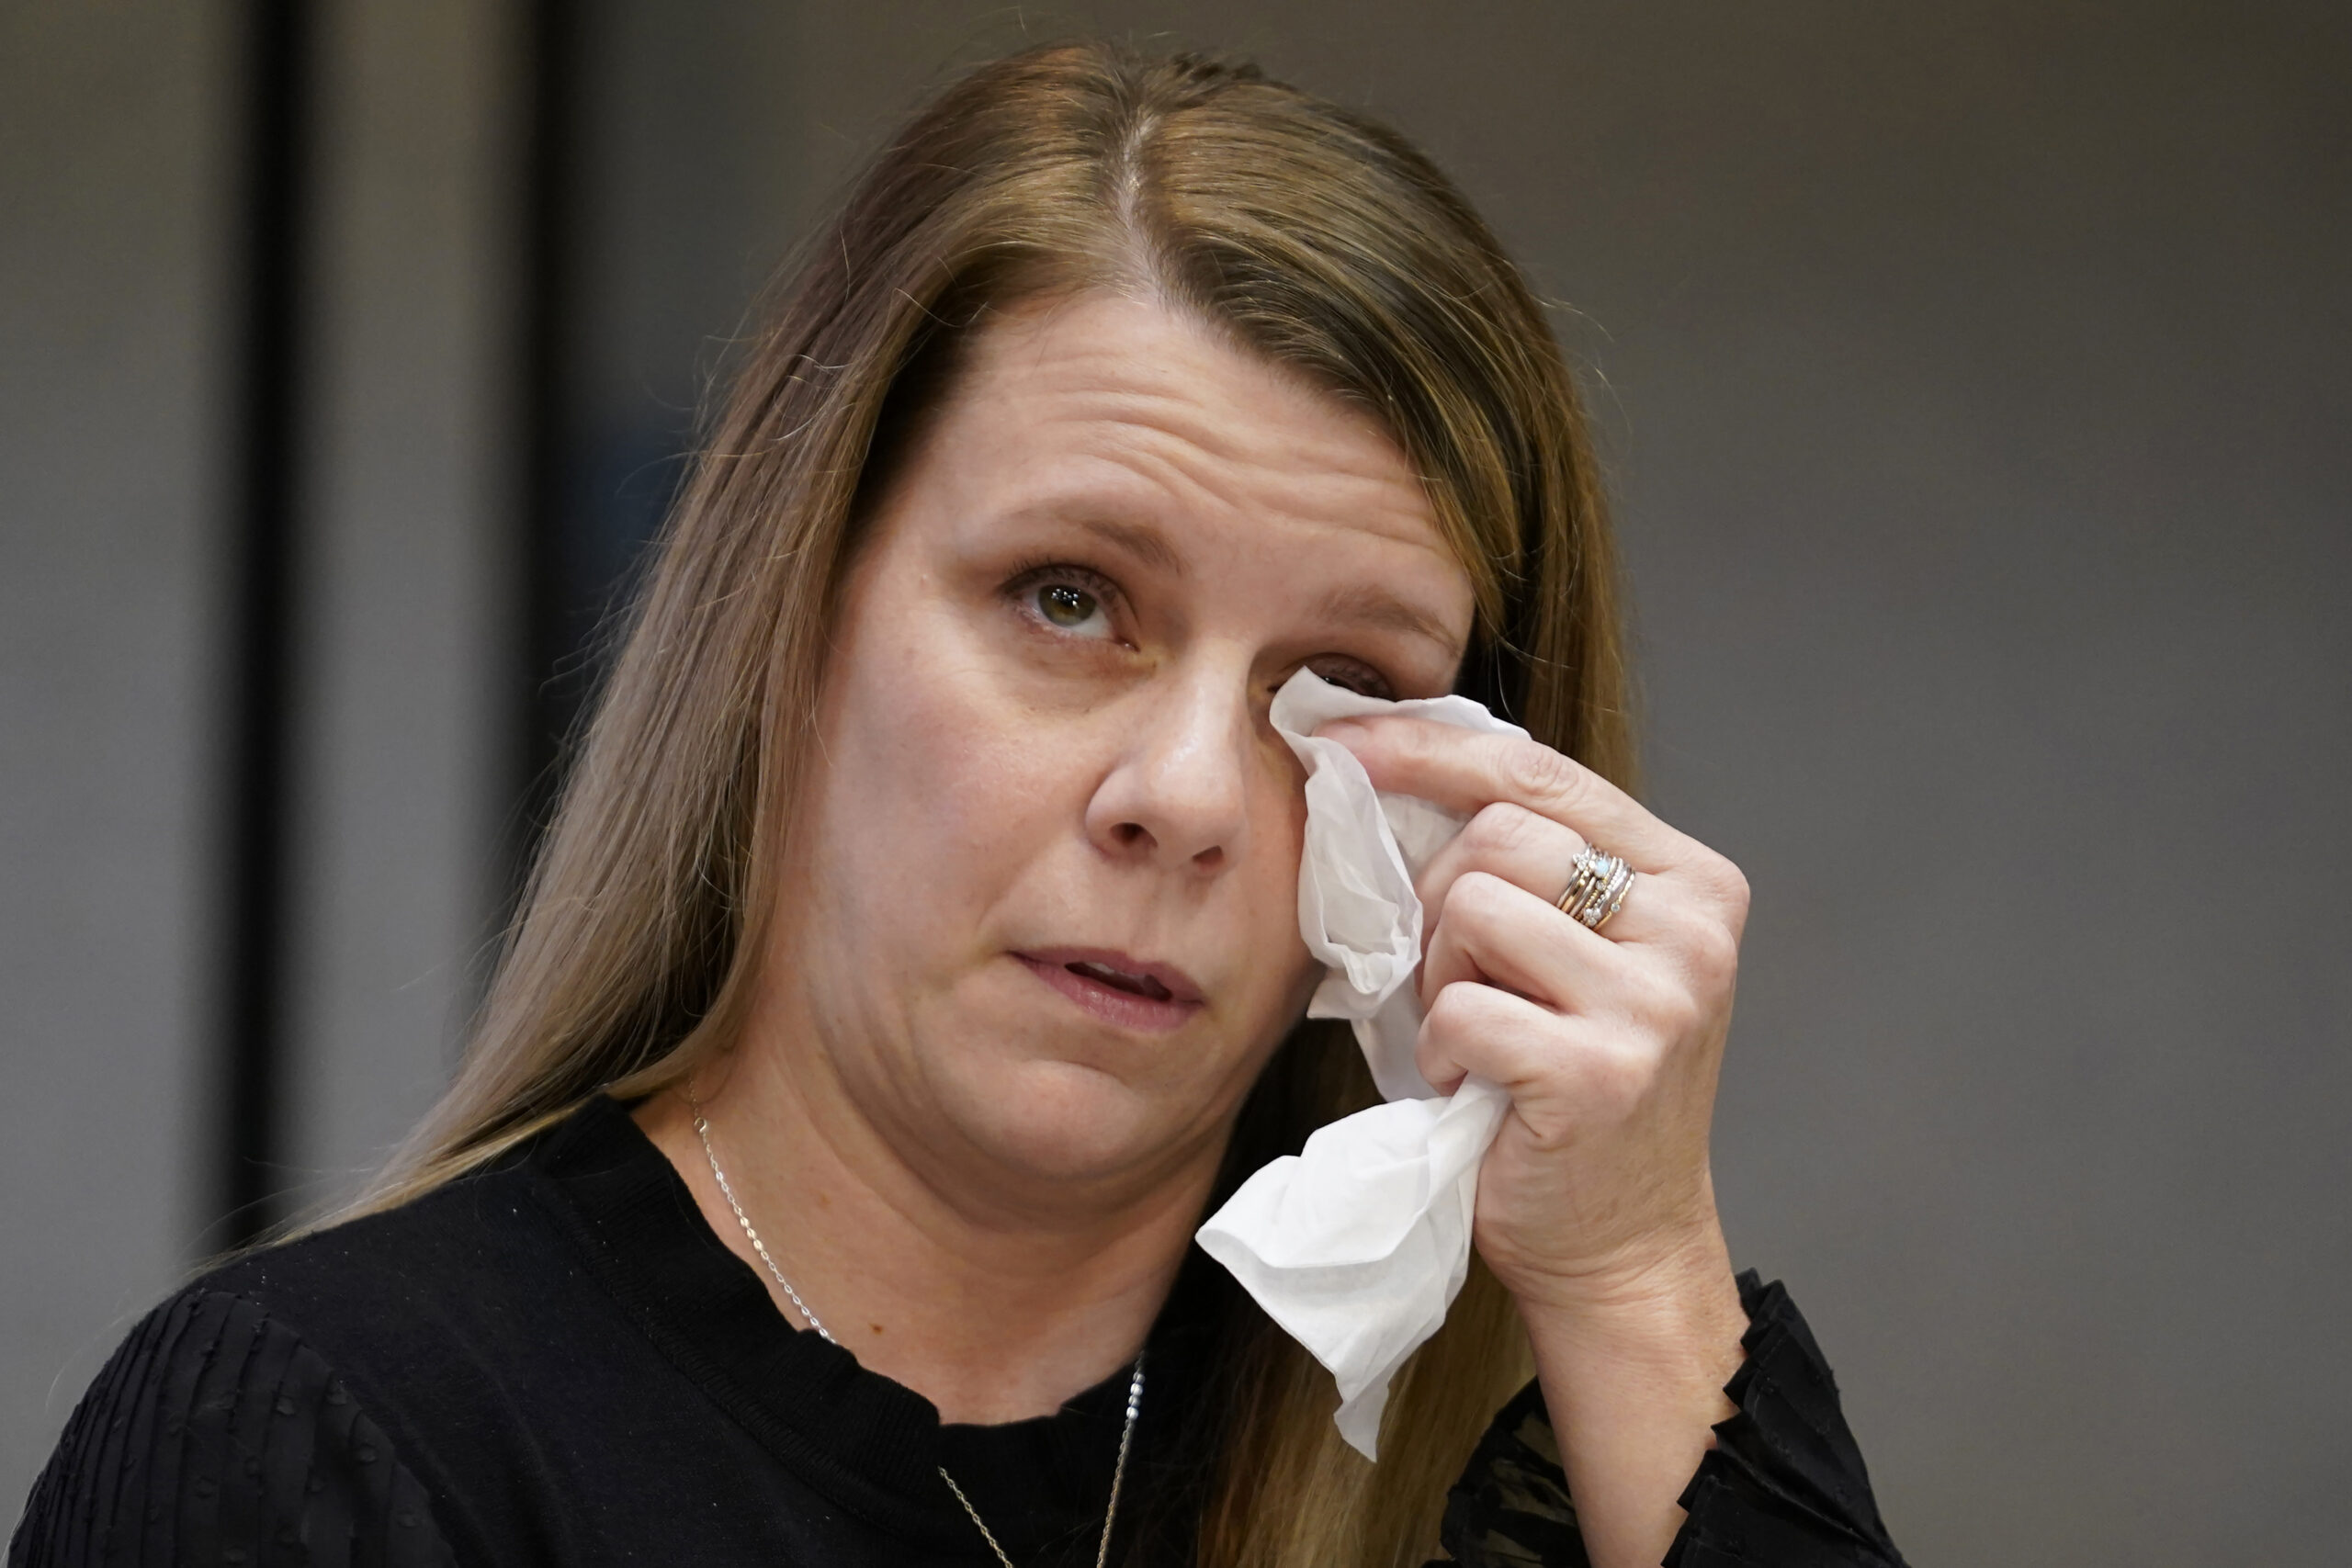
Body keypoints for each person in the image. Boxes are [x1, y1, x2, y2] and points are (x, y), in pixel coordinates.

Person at [10, 42, 1907, 1568]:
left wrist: (1634, 1275)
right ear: (793, 624)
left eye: (1335, 690)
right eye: (1066, 599)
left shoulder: (1522, 1475)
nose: (1182, 798)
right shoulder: (327, 1438)